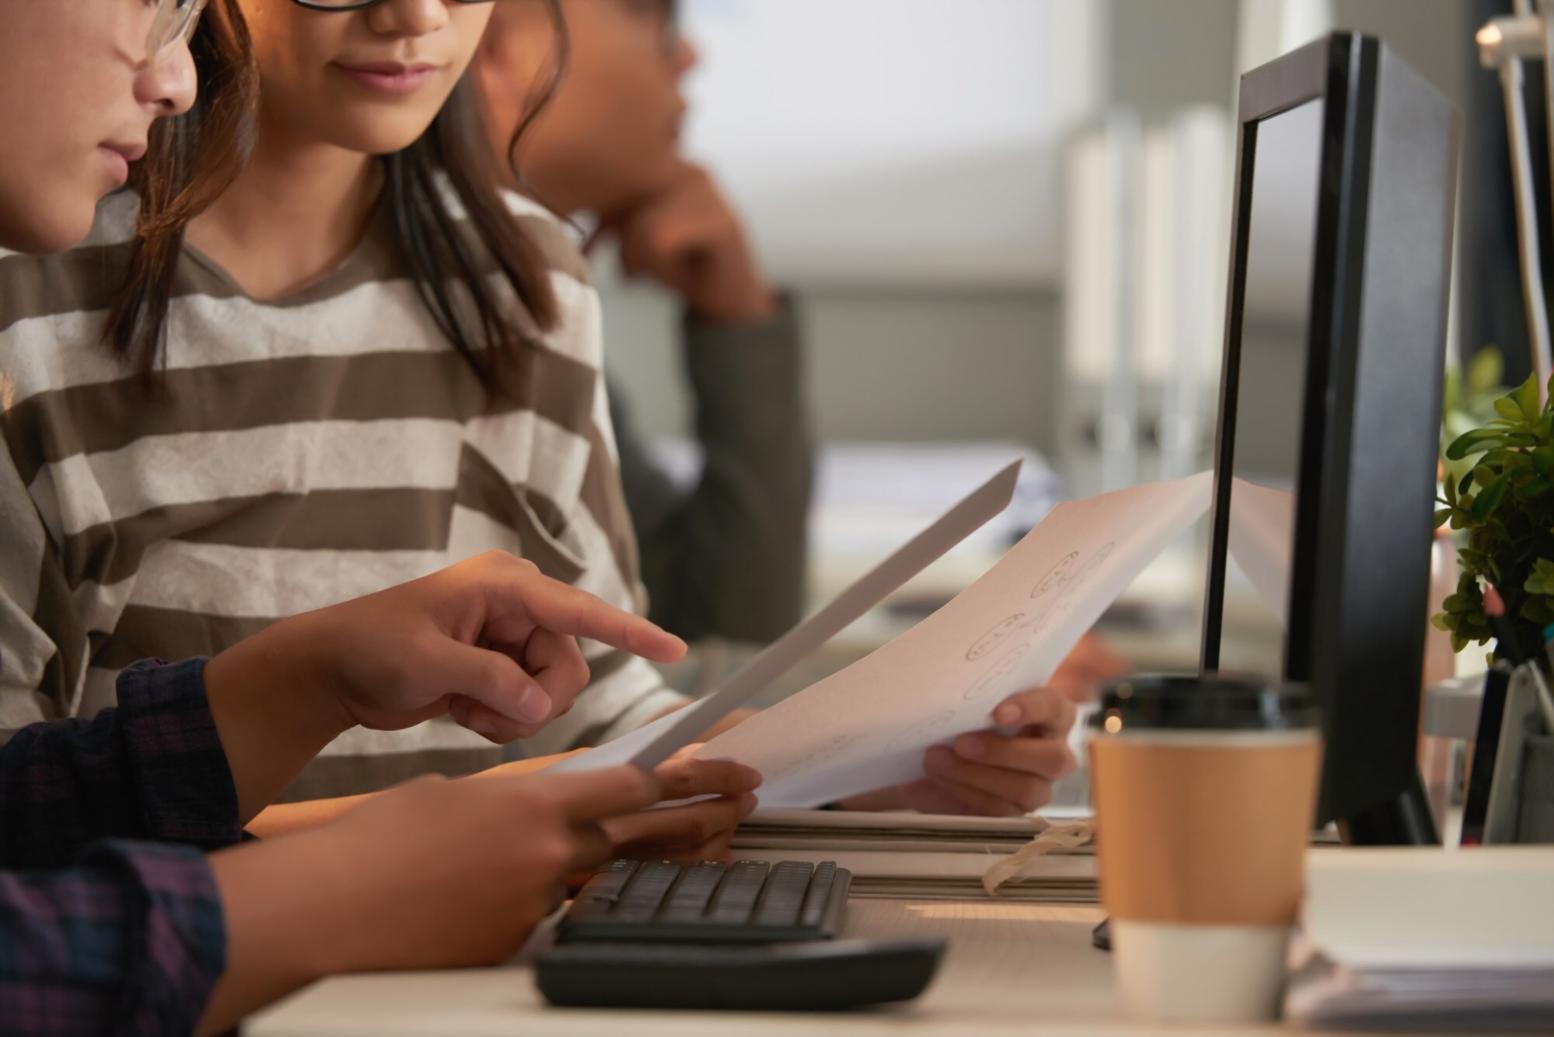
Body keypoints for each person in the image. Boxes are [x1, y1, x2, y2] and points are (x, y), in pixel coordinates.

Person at [0, 2, 761, 1031]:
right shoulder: (34, 271)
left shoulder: (527, 280)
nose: (413, 15)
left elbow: (595, 691)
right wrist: (400, 853)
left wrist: (808, 759)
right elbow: (27, 825)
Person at [478, 0, 810, 645]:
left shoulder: (531, 311)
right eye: (648, 11)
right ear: (491, 37)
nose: (688, 55)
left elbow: (709, 633)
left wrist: (738, 320)